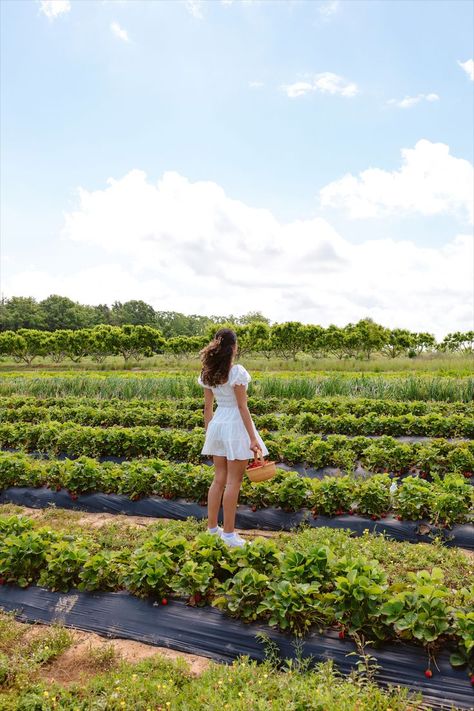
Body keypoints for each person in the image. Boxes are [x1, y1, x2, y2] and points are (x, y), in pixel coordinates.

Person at [197, 328, 269, 548]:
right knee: (233, 482)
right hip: (235, 425)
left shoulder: (208, 372)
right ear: (234, 347)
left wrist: (210, 433)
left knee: (218, 478)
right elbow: (242, 406)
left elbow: (207, 408)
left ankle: (212, 530)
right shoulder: (236, 371)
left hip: (218, 424)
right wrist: (253, 438)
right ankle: (228, 535)